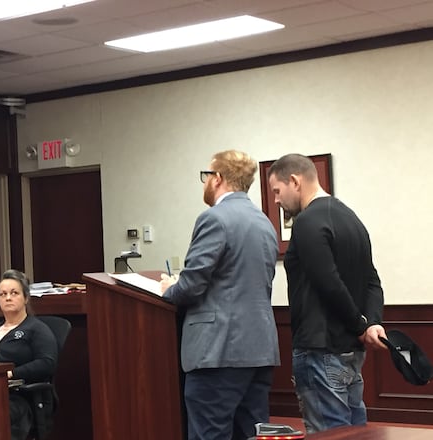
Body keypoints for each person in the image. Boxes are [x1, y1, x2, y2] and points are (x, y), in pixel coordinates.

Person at [158, 150, 280, 440]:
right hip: (259, 348)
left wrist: (169, 289)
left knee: (209, 434)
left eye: (206, 176)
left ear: (218, 178)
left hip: (219, 351)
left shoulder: (214, 218)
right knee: (252, 432)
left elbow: (192, 285)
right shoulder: (264, 222)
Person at [267, 153, 386, 434]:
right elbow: (373, 282)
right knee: (355, 434)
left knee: (328, 435)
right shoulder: (352, 218)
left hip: (319, 350)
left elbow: (328, 282)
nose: (275, 200)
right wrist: (372, 322)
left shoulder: (308, 222)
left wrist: (361, 326)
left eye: (276, 190)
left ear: (294, 181)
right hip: (349, 353)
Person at [0, 269, 58, 440]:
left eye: (14, 293)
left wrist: (10, 374)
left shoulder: (36, 329)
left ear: (26, 298)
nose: (8, 298)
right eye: (3, 294)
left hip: (16, 396)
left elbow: (47, 363)